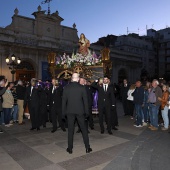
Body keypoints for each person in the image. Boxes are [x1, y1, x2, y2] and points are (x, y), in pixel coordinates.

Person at [62, 73, 92, 154]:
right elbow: (85, 101)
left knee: (70, 130)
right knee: (84, 129)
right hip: (80, 111)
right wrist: (87, 112)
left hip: (69, 111)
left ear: (72, 78)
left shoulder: (66, 88)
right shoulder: (82, 88)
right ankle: (87, 147)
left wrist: (63, 113)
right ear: (78, 79)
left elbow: (63, 101)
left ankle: (70, 148)